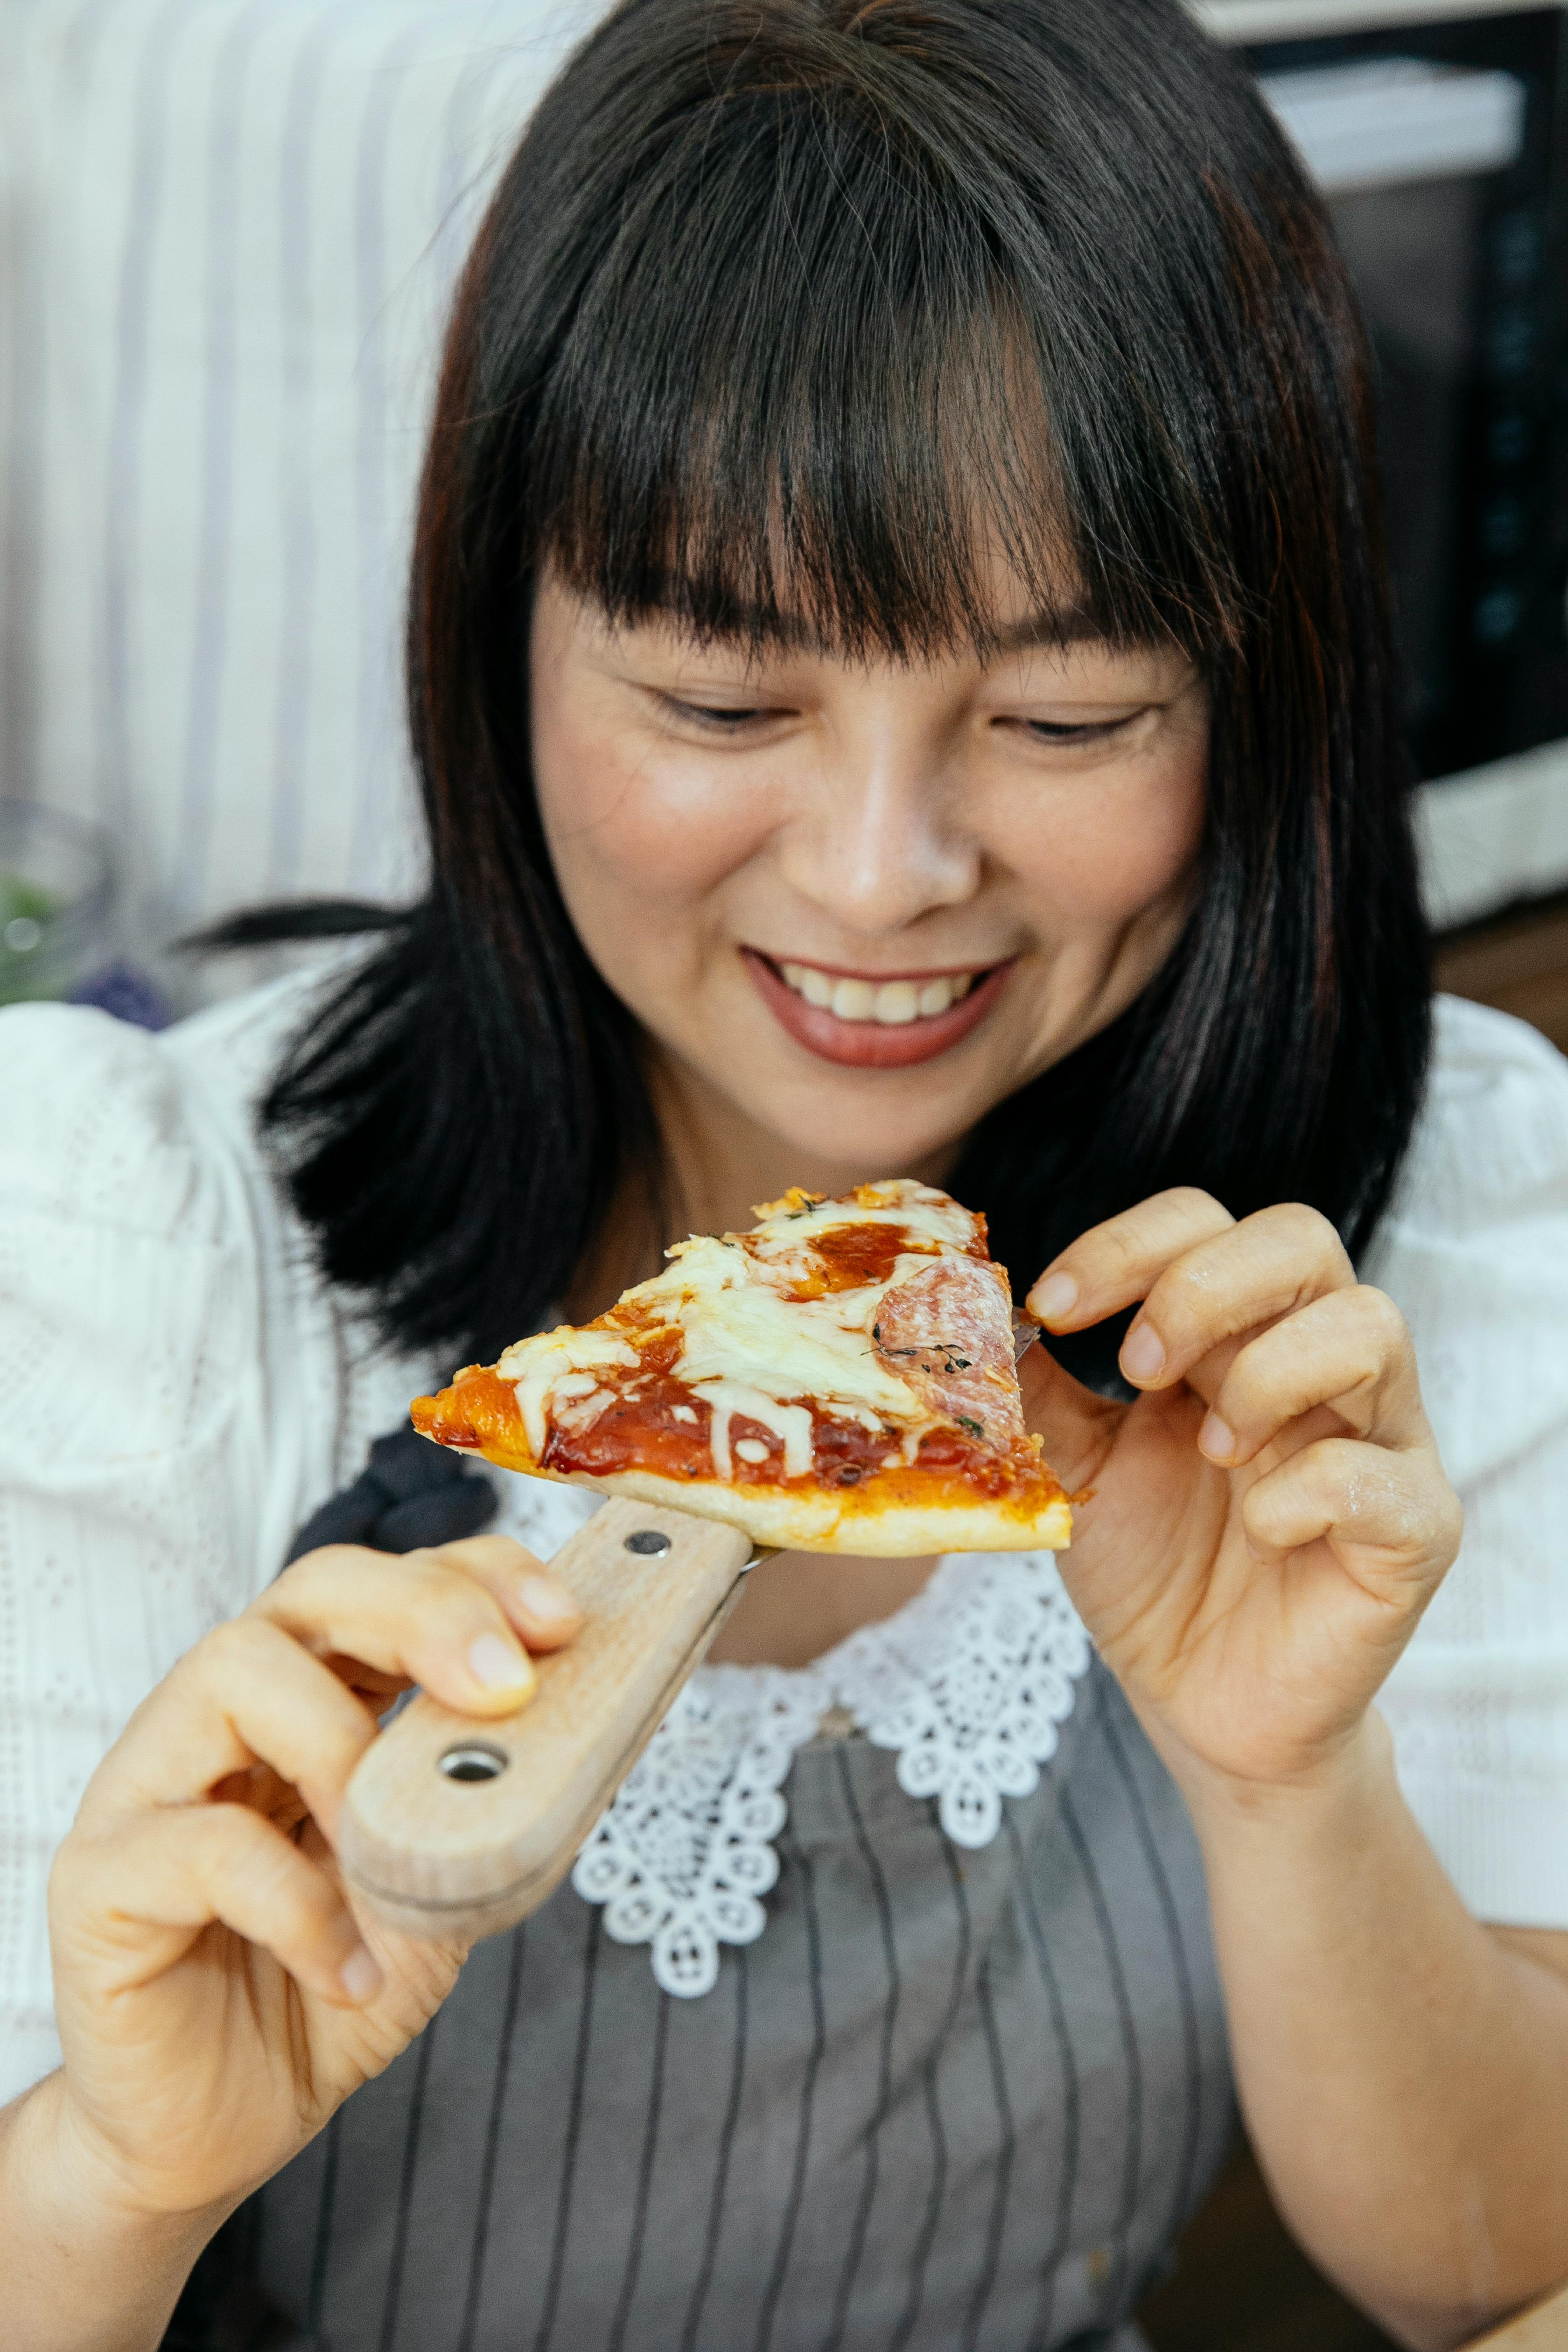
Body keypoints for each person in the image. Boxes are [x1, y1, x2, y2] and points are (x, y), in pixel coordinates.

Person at [4, 0, 1568, 2345]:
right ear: (492, 638)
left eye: (1064, 720)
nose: (876, 876)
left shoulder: (1411, 1230)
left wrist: (1290, 1777)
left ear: (1260, 698)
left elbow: (1504, 2264)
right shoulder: (125, 1247)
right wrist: (114, 2177)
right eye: (724, 705)